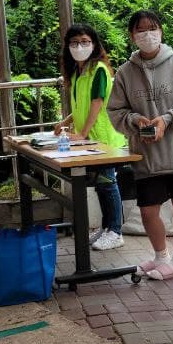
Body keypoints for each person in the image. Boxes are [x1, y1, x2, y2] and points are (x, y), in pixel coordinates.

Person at [107, 9, 173, 280]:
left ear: (161, 31)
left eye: (152, 28)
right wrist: (137, 121)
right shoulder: (126, 73)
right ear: (132, 35)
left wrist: (167, 119)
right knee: (148, 210)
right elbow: (115, 111)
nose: (147, 34)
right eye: (141, 30)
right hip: (147, 155)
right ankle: (161, 256)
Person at [54, 23, 127, 251]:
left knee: (108, 183)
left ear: (94, 45)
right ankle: (107, 228)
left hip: (103, 137)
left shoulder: (99, 71)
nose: (80, 47)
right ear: (68, 46)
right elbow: (81, 106)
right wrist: (66, 122)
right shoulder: (77, 72)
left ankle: (115, 231)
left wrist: (82, 133)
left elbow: (97, 103)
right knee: (101, 185)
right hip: (88, 138)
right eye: (74, 43)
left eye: (85, 42)